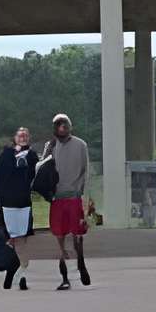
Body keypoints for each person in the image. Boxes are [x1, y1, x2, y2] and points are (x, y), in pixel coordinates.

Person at [40, 111, 93, 289]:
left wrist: (83, 194)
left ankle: (81, 262)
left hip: (74, 196)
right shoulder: (51, 145)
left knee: (77, 234)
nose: (62, 128)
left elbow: (86, 170)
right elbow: (42, 169)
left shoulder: (80, 145)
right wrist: (48, 151)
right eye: (58, 125)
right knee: (59, 235)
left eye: (64, 125)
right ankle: (64, 276)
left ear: (70, 127)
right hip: (57, 198)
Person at [0, 124, 39, 291]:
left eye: (25, 136)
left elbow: (37, 179)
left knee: (21, 240)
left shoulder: (32, 156)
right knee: (9, 239)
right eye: (20, 135)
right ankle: (7, 272)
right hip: (7, 203)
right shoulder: (6, 155)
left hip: (24, 204)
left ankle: (21, 275)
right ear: (14, 138)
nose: (23, 138)